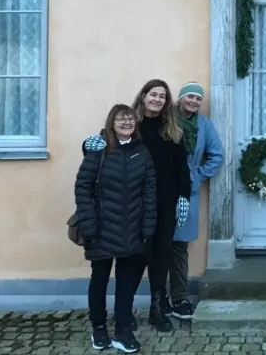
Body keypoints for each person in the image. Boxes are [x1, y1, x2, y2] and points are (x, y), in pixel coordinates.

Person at [83, 79, 191, 332]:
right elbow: (105, 144)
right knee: (135, 257)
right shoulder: (132, 124)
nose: (157, 99)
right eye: (153, 94)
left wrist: (183, 196)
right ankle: (125, 312)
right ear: (143, 96)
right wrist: (88, 145)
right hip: (132, 203)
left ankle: (156, 308)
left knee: (161, 256)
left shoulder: (173, 130)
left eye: (163, 96)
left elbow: (181, 168)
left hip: (165, 204)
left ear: (167, 102)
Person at [75, 104, 156, 353]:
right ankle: (98, 329)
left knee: (126, 282)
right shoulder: (99, 150)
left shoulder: (141, 152)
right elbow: (83, 188)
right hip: (100, 229)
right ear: (112, 123)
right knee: (99, 280)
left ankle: (123, 330)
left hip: (131, 229)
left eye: (130, 119)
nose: (126, 123)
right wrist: (89, 224)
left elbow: (149, 191)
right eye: (121, 119)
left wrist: (147, 227)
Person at [167, 82, 225, 320]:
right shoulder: (164, 120)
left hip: (186, 191)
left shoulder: (203, 125)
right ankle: (158, 298)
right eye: (190, 96)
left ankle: (179, 297)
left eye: (198, 98)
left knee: (179, 245)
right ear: (180, 98)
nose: (194, 101)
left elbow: (217, 154)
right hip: (160, 189)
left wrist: (197, 175)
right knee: (157, 241)